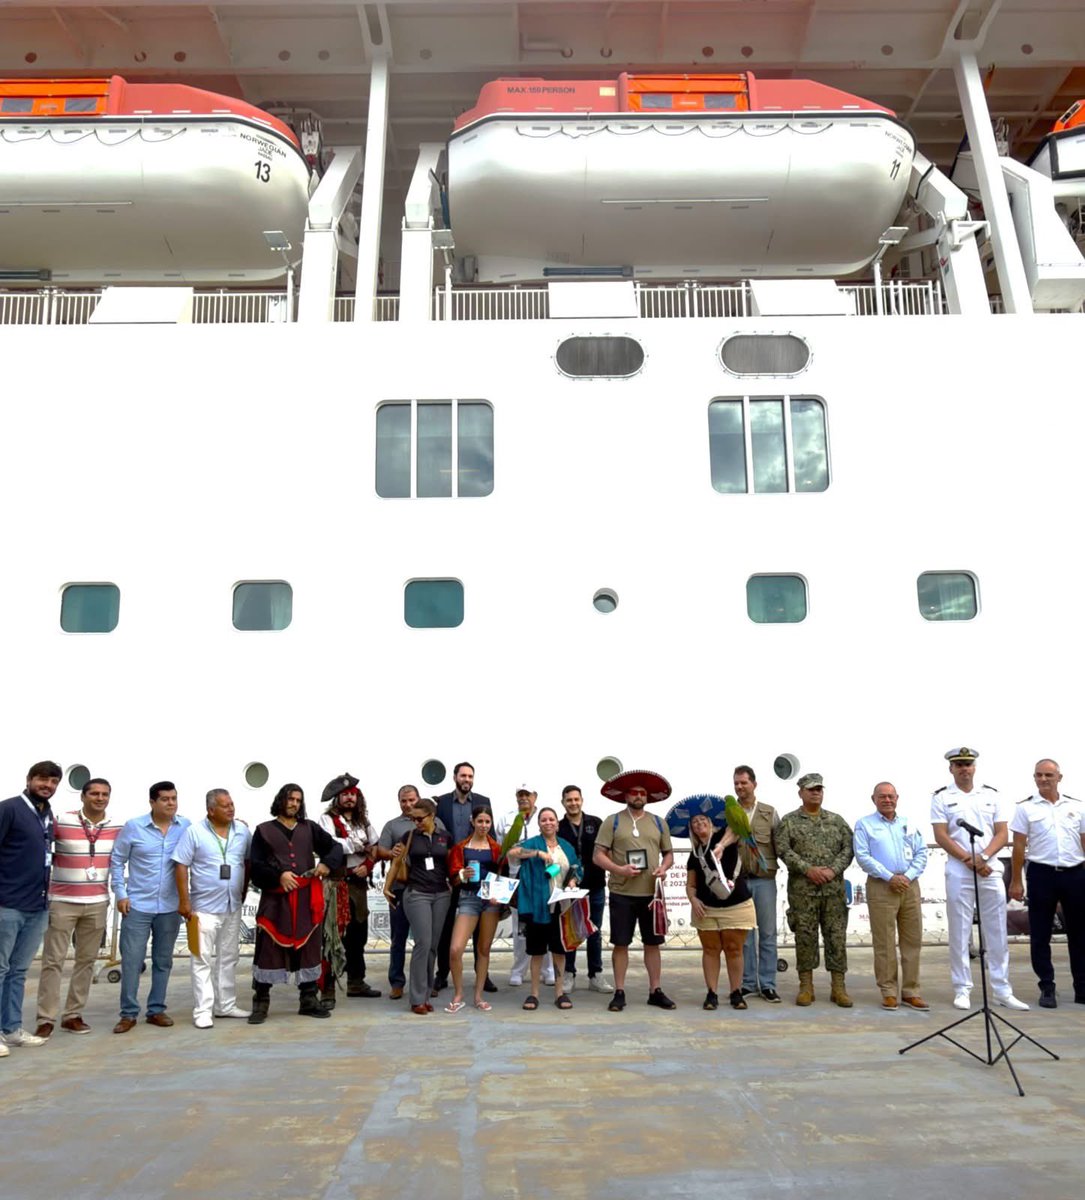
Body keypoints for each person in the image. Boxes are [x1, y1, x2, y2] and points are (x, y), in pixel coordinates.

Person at [931, 746, 1029, 1012]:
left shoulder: (991, 795)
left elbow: (1002, 833)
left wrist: (983, 857)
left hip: (989, 868)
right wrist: (969, 860)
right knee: (960, 931)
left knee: (996, 931)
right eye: (959, 765)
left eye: (968, 764)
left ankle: (1002, 989)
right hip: (959, 870)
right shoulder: (942, 797)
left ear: (974, 767)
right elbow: (941, 835)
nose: (964, 769)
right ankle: (962, 988)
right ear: (951, 769)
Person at [248, 784, 345, 1023]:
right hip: (275, 900)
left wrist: (326, 864)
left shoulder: (309, 828)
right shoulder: (263, 831)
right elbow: (256, 867)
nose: (294, 804)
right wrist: (278, 876)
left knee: (309, 948)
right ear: (281, 800)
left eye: (298, 800)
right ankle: (261, 1002)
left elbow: (335, 848)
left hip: (305, 900)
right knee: (268, 949)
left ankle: (309, 999)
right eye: (290, 799)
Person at [34, 777, 120, 1037]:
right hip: (62, 902)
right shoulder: (62, 821)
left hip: (97, 903)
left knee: (86, 961)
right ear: (83, 796)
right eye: (94, 793)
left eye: (105, 794)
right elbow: (38, 844)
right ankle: (46, 1018)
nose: (100, 798)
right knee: (53, 961)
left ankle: (73, 1015)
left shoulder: (117, 826)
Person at [108, 780, 191, 1033]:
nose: (171, 803)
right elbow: (117, 860)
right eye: (165, 799)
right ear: (152, 802)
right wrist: (121, 894)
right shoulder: (134, 827)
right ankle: (128, 1013)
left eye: (174, 798)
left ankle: (156, 1010)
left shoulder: (186, 827)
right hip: (137, 906)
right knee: (132, 961)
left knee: (163, 960)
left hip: (170, 907)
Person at [593, 768, 676, 1012]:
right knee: (621, 944)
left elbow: (669, 854)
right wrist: (619, 869)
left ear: (647, 797)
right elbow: (598, 855)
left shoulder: (659, 822)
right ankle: (619, 991)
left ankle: (655, 990)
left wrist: (663, 868)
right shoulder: (613, 821)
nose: (638, 796)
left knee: (653, 943)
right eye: (634, 792)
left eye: (642, 793)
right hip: (622, 893)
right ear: (626, 795)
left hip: (652, 894)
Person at [173, 789, 252, 1028]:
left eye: (231, 804)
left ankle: (225, 1005)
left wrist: (244, 890)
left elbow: (247, 862)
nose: (231, 809)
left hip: (232, 905)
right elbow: (181, 865)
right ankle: (203, 1010)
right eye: (224, 805)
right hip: (203, 908)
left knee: (229, 957)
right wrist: (184, 900)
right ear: (211, 810)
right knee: (201, 959)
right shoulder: (194, 832)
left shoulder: (243, 831)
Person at [1009, 759, 1085, 1009]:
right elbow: (1019, 846)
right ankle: (1047, 986)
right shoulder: (1025, 808)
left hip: (1074, 873)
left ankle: (1082, 986)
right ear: (1034, 778)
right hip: (1042, 874)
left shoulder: (1076, 806)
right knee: (1040, 934)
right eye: (1039, 775)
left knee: (1079, 933)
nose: (1043, 779)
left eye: (1048, 775)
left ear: (1059, 778)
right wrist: (1016, 881)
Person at [776, 773, 854, 1007]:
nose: (815, 793)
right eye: (810, 789)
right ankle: (806, 987)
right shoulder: (789, 821)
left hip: (833, 892)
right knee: (805, 938)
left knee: (836, 938)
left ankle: (838, 988)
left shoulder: (836, 821)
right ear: (800, 792)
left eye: (819, 789)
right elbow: (783, 849)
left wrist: (832, 870)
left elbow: (849, 849)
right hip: (803, 893)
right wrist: (807, 869)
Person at [0, 761, 61, 1055]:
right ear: (29, 779)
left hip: (37, 905)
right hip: (7, 904)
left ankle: (11, 1029)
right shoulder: (9, 809)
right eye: (42, 779)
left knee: (18, 971)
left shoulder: (47, 814)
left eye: (53, 781)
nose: (47, 785)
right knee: (0, 969)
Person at [854, 782, 929, 1010]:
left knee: (912, 940)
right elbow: (863, 856)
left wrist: (908, 876)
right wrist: (890, 877)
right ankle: (888, 991)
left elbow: (921, 852)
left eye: (891, 796)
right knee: (884, 942)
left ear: (897, 798)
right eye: (882, 796)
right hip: (881, 886)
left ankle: (911, 991)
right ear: (873, 799)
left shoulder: (908, 823)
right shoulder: (864, 825)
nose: (887, 800)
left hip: (909, 885)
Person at [376, 785, 446, 999]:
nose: (408, 804)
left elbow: (444, 850)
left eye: (411, 800)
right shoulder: (393, 826)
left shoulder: (437, 823)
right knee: (398, 937)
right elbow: (381, 850)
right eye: (403, 801)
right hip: (402, 888)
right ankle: (397, 982)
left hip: (432, 889)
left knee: (427, 941)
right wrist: (392, 852)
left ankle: (427, 983)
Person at [509, 807, 581, 1011]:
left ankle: (559, 992)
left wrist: (574, 880)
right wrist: (537, 853)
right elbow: (512, 853)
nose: (548, 822)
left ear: (557, 823)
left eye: (551, 819)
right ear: (539, 824)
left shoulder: (566, 846)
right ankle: (534, 993)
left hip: (561, 906)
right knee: (536, 951)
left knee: (559, 950)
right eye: (543, 820)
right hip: (537, 906)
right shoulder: (532, 843)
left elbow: (576, 867)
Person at [317, 773, 380, 1003]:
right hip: (335, 885)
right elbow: (329, 844)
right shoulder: (326, 820)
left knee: (358, 936)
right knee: (332, 936)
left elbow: (375, 846)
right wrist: (354, 845)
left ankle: (356, 982)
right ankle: (328, 989)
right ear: (337, 798)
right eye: (345, 795)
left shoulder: (363, 822)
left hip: (358, 886)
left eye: (353, 794)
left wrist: (368, 866)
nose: (349, 798)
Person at [685, 812, 756, 1010]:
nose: (699, 823)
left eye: (703, 820)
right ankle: (711, 993)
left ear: (711, 823)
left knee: (734, 949)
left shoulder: (724, 838)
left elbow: (736, 830)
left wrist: (721, 846)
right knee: (710, 949)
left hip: (737, 904)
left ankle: (736, 992)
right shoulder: (695, 854)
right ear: (691, 829)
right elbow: (691, 884)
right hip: (706, 908)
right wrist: (693, 899)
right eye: (694, 822)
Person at [434, 762, 493, 993]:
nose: (466, 780)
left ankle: (483, 976)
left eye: (470, 776)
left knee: (481, 927)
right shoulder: (442, 803)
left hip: (478, 872)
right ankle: (442, 973)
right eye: (463, 776)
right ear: (455, 777)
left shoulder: (483, 801)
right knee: (446, 924)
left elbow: (490, 836)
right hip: (449, 873)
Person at [445, 806, 504, 1012]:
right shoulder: (461, 847)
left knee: (483, 949)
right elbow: (453, 879)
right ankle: (459, 994)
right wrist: (462, 875)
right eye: (480, 821)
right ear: (472, 821)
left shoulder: (497, 848)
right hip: (468, 898)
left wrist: (500, 895)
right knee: (455, 949)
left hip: (490, 900)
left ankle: (478, 996)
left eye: (487, 822)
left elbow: (503, 875)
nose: (484, 825)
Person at [398, 798, 453, 1014]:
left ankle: (426, 993)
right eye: (413, 819)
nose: (416, 823)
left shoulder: (445, 837)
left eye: (420, 819)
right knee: (423, 943)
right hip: (417, 892)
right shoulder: (409, 836)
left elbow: (451, 863)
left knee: (432, 946)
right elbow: (396, 862)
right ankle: (417, 998)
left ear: (432, 816)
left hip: (441, 894)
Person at [495, 786, 552, 987]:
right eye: (520, 794)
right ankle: (519, 970)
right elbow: (503, 850)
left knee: (545, 923)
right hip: (516, 878)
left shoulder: (544, 818)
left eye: (528, 794)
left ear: (535, 796)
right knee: (520, 927)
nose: (524, 798)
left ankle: (547, 970)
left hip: (541, 879)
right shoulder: (507, 818)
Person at [733, 765, 781, 1003]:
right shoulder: (729, 813)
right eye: (736, 783)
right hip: (739, 881)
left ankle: (768, 984)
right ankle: (748, 983)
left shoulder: (769, 813)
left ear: (754, 784)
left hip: (764, 880)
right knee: (745, 936)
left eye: (744, 782)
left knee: (768, 933)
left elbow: (780, 845)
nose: (739, 787)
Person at [558, 785, 612, 993]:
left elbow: (608, 849)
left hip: (595, 885)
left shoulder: (595, 823)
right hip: (569, 887)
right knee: (570, 931)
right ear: (563, 802)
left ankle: (595, 975)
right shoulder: (559, 826)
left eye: (576, 799)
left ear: (582, 800)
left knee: (594, 931)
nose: (573, 803)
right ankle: (568, 974)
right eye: (569, 800)